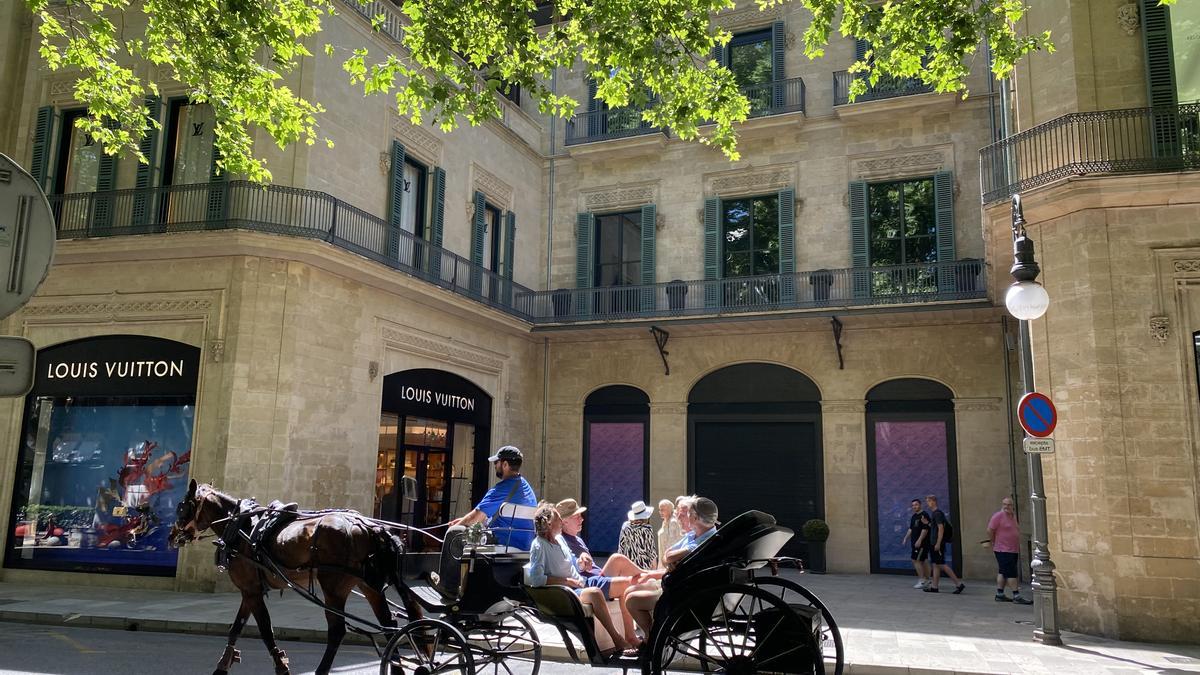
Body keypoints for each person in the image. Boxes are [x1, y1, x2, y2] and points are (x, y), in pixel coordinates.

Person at [524, 504, 634, 653]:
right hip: (563, 593)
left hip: (575, 587)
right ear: (549, 523)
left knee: (615, 587)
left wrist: (581, 562)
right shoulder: (539, 545)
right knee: (594, 592)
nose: (561, 522)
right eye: (558, 519)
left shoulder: (560, 540)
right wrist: (567, 582)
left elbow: (571, 565)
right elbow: (536, 579)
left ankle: (628, 636)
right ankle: (617, 639)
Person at [623, 496, 719, 654]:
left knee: (632, 601)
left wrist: (671, 560)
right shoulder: (695, 535)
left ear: (695, 517)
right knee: (630, 591)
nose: (685, 516)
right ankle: (652, 638)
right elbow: (667, 555)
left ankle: (652, 641)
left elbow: (671, 556)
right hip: (680, 586)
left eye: (689, 513)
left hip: (683, 595)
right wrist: (670, 560)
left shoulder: (703, 541)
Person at [449, 446, 537, 550]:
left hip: (503, 544)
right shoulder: (526, 487)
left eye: (496, 462)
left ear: (505, 464)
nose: (494, 466)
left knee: (453, 535)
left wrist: (456, 526)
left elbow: (474, 518)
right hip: (526, 547)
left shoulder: (501, 489)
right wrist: (464, 520)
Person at [555, 498, 648, 579]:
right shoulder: (562, 541)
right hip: (590, 582)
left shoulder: (578, 539)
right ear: (565, 521)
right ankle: (652, 575)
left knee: (633, 578)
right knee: (617, 560)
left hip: (599, 576)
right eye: (577, 517)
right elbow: (574, 567)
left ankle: (650, 575)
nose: (582, 519)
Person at [988, 497, 1032, 604]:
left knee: (1003, 571)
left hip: (1012, 549)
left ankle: (1000, 594)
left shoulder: (1013, 516)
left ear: (1013, 506)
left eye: (1008, 505)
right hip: (1002, 549)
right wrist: (994, 541)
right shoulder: (998, 516)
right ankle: (1016, 595)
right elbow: (990, 529)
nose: (1006, 507)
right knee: (1011, 572)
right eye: (1004, 504)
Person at [923, 494, 965, 594]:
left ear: (933, 501)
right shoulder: (935, 514)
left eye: (928, 501)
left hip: (937, 543)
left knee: (941, 564)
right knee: (936, 565)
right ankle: (934, 586)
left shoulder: (937, 513)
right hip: (934, 542)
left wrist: (938, 543)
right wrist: (927, 523)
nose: (927, 504)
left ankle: (959, 584)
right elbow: (935, 527)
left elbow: (941, 529)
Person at [618, 501, 659, 570]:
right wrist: (654, 568)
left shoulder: (625, 526)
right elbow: (651, 551)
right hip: (644, 566)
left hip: (628, 565)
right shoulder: (647, 529)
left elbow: (621, 547)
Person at [901, 498, 931, 588]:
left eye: (916, 505)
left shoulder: (924, 515)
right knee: (924, 560)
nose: (914, 506)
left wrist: (920, 540)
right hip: (915, 542)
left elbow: (925, 528)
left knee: (916, 560)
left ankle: (922, 580)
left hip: (921, 543)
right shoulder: (914, 516)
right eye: (913, 505)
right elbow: (911, 529)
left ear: (920, 505)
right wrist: (905, 538)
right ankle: (927, 580)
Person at [656, 498, 682, 568]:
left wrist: (667, 561)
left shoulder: (673, 522)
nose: (660, 512)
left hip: (669, 561)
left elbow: (672, 544)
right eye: (659, 509)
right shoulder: (665, 521)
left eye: (662, 510)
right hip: (663, 559)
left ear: (669, 510)